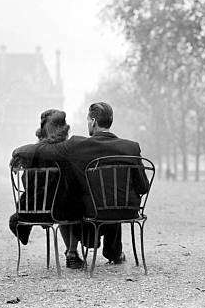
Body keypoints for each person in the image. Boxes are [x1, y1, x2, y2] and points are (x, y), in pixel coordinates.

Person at [12, 102, 150, 268]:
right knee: (114, 196)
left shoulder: (78, 145)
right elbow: (143, 187)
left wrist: (18, 153)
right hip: (129, 210)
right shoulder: (131, 147)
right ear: (110, 121)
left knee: (93, 197)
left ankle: (77, 249)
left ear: (93, 122)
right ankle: (114, 252)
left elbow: (41, 150)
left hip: (95, 211)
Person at [9, 109, 85, 269]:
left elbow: (25, 182)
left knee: (66, 201)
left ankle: (70, 252)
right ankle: (71, 252)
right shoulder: (65, 151)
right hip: (62, 210)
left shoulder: (32, 155)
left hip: (36, 210)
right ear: (63, 128)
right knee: (74, 201)